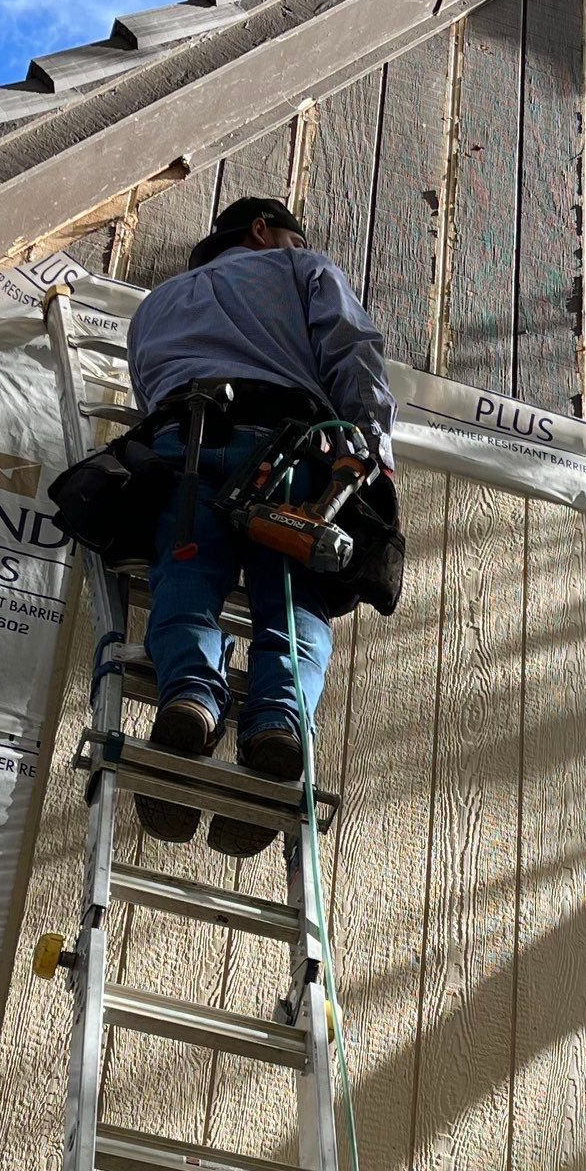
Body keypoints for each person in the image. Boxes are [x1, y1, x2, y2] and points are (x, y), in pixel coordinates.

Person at [118, 195, 400, 856]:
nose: (301, 246)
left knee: (187, 575)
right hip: (289, 456)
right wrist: (371, 450)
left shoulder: (153, 307)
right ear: (262, 229)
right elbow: (350, 349)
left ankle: (191, 697)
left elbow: (150, 393)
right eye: (293, 236)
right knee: (293, 597)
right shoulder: (301, 268)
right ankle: (277, 722)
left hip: (185, 449)